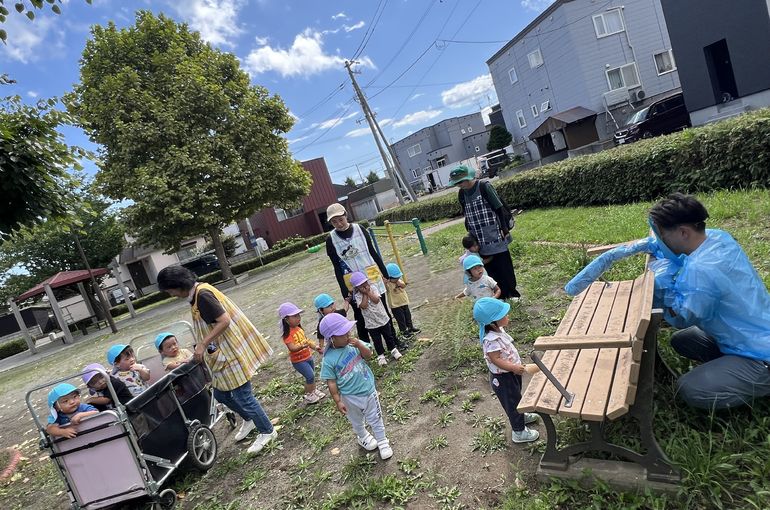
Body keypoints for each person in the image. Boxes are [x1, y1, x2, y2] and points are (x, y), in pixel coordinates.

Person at [648, 193, 770, 410]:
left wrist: (663, 289)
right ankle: (730, 365)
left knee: (689, 388)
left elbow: (682, 317)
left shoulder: (701, 271)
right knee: (683, 340)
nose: (661, 242)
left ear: (683, 232)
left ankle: (759, 382)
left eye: (663, 237)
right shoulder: (718, 238)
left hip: (760, 356)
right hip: (753, 329)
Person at [157, 265, 276, 454]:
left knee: (243, 396)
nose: (171, 294)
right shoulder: (197, 294)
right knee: (221, 395)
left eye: (169, 290)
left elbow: (224, 320)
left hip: (229, 353)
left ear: (178, 285)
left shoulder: (202, 295)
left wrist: (203, 344)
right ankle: (249, 419)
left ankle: (267, 431)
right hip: (220, 354)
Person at [325, 203, 406, 350]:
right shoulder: (330, 240)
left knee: (383, 310)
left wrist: (385, 273)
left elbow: (373, 252)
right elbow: (336, 267)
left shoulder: (360, 230)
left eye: (341, 219)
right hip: (352, 283)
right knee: (360, 316)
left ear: (346, 215)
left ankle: (394, 343)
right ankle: (365, 348)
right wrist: (344, 290)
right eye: (334, 222)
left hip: (372, 278)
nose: (339, 224)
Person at [319, 312, 393, 460]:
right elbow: (331, 382)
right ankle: (363, 436)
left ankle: (383, 441)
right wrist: (338, 400)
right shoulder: (328, 360)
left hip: (368, 390)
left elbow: (368, 355)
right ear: (332, 338)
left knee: (375, 418)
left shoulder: (354, 345)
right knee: (356, 420)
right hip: (349, 396)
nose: (348, 334)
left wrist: (359, 344)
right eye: (343, 333)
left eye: (348, 331)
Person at [473, 297, 540, 443]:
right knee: (512, 402)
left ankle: (521, 416)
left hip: (510, 374)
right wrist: (514, 367)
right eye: (503, 315)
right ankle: (519, 432)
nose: (507, 315)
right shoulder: (491, 340)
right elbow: (496, 359)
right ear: (492, 322)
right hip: (504, 378)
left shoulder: (498, 331)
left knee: (516, 396)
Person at [450, 165, 521, 300]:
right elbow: (466, 214)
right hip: (478, 238)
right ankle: (498, 294)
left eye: (461, 182)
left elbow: (499, 208)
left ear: (468, 177)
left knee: (504, 266)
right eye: (457, 183)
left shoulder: (483, 186)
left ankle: (512, 293)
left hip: (494, 234)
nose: (459, 185)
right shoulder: (462, 194)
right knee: (489, 268)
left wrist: (504, 230)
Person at [350, 271, 402, 366]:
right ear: (356, 288)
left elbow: (376, 300)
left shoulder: (373, 288)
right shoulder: (358, 296)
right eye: (360, 286)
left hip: (382, 318)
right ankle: (381, 355)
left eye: (364, 283)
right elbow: (363, 306)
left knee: (388, 336)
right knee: (376, 339)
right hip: (371, 323)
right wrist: (365, 294)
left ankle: (393, 350)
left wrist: (368, 292)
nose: (364, 286)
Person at [278, 302, 326, 404]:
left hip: (308, 357)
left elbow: (307, 340)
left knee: (312, 375)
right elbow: (292, 348)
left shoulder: (299, 328)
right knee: (309, 376)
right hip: (299, 361)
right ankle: (309, 395)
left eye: (298, 315)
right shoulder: (287, 335)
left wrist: (315, 347)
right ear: (286, 320)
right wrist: (302, 346)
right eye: (295, 316)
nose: (298, 318)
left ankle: (313, 390)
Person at [384, 263, 420, 338]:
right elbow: (384, 286)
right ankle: (404, 332)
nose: (397, 279)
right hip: (395, 305)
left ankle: (410, 327)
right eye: (395, 278)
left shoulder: (399, 281)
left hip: (404, 302)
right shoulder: (388, 284)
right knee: (401, 320)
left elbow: (404, 285)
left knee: (407, 316)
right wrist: (385, 281)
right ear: (389, 277)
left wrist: (399, 282)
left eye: (398, 277)